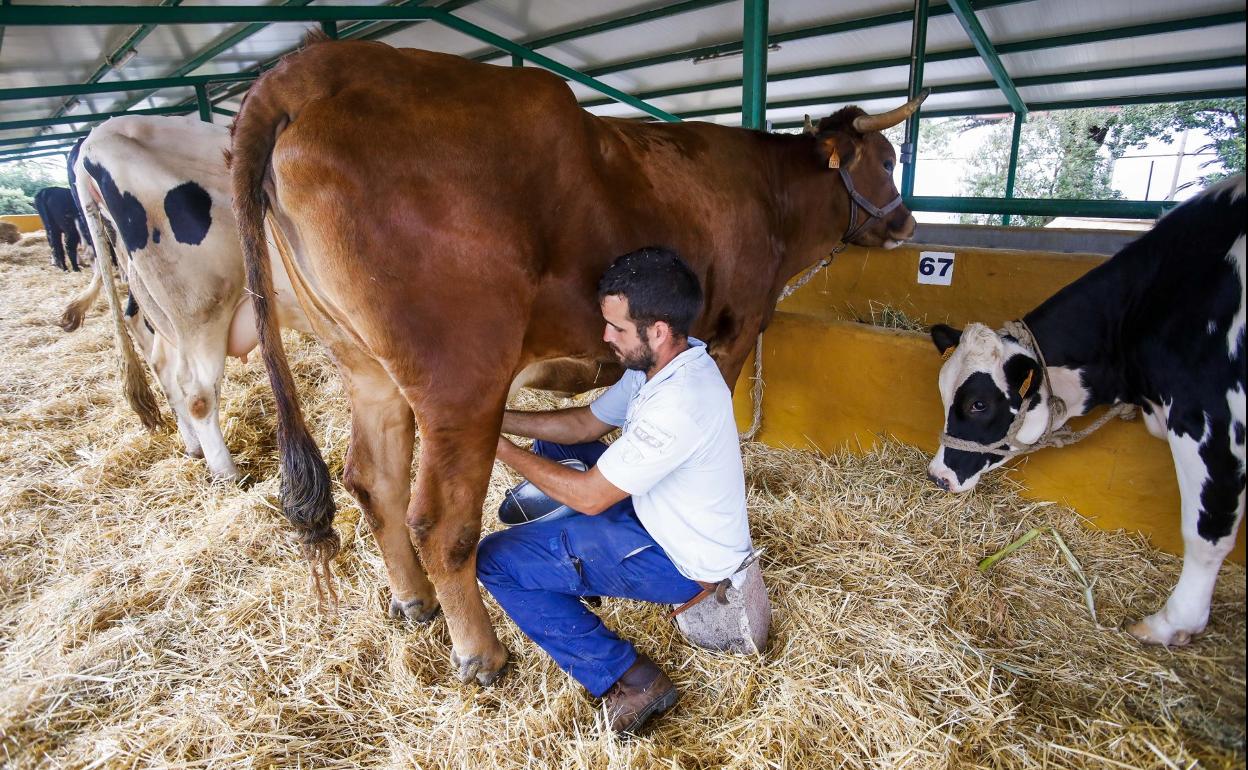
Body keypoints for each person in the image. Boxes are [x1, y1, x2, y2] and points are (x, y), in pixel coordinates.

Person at [478, 246, 753, 735]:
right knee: (550, 443)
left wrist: (491, 445)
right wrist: (493, 418)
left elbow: (589, 497)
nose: (605, 337)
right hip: (658, 514)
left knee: (496, 561)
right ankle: (573, 561)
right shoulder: (665, 364)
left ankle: (627, 678)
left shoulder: (679, 402)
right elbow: (585, 423)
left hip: (681, 564)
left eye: (618, 328)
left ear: (658, 331)